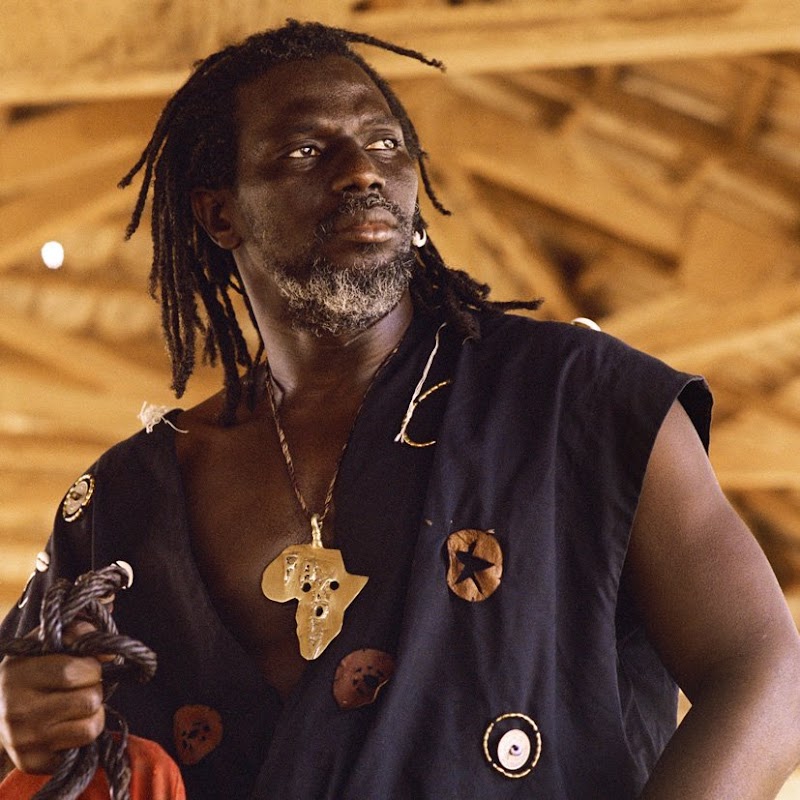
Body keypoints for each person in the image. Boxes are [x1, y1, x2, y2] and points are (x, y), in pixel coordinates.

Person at [1, 19, 799, 799]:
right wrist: (17, 719)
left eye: (385, 143)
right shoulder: (124, 500)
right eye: (306, 150)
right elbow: (30, 705)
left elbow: (767, 670)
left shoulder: (576, 398)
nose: (361, 171)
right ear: (220, 213)